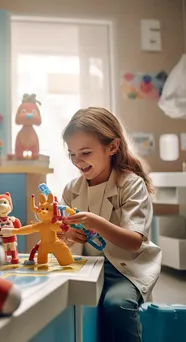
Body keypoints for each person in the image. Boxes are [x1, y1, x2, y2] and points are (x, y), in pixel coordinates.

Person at [59, 107, 162, 342]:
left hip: (124, 270)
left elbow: (134, 241)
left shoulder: (131, 185)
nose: (78, 161)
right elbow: (60, 233)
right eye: (72, 154)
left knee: (116, 305)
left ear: (112, 147)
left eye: (85, 152)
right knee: (75, 303)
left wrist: (97, 222)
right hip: (86, 264)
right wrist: (68, 233)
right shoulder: (72, 189)